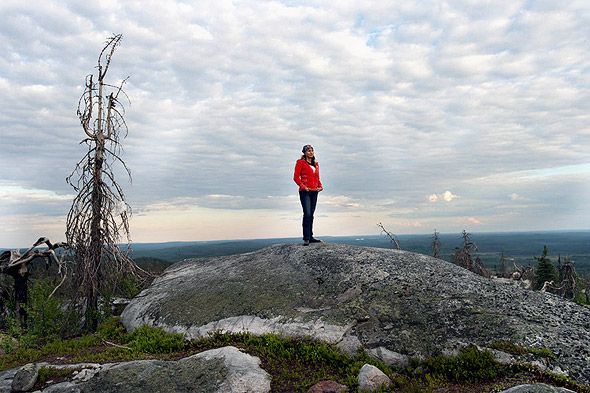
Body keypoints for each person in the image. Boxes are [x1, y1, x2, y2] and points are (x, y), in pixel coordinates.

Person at [293, 144, 323, 246]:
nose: (311, 152)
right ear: (304, 153)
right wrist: (302, 186)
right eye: (308, 150)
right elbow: (296, 177)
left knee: (312, 214)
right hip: (305, 191)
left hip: (314, 191)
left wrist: (320, 186)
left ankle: (310, 236)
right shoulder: (300, 162)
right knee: (307, 214)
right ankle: (306, 238)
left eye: (312, 150)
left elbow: (317, 178)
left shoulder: (316, 164)